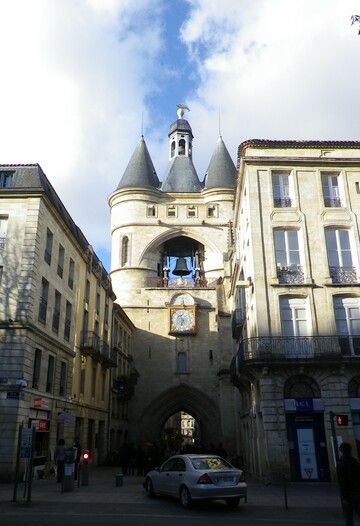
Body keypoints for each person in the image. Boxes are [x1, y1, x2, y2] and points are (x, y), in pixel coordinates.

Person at [337, 441, 360, 526]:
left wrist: (344, 496)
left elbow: (342, 481)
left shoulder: (341, 463)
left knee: (349, 517)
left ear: (341, 451)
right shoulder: (355, 461)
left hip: (348, 494)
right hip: (357, 492)